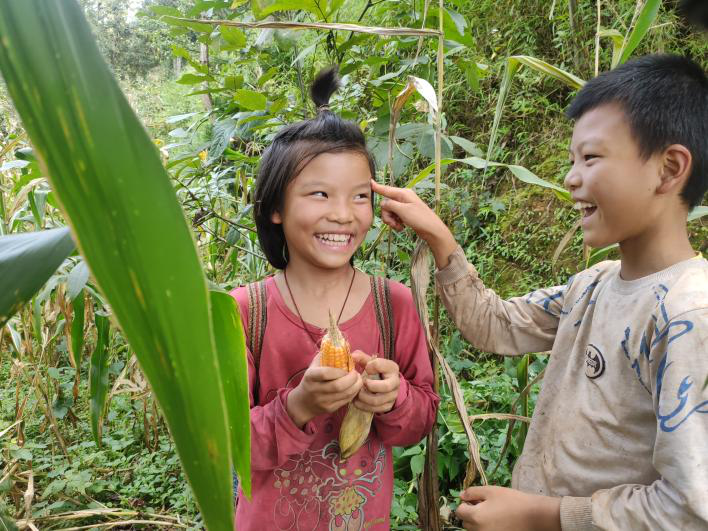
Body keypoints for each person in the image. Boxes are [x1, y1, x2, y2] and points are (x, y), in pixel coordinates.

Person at [372, 54, 708, 530]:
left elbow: (688, 509)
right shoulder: (591, 287)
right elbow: (496, 326)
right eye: (572, 160)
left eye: (590, 158)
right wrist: (440, 238)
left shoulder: (689, 316)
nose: (571, 178)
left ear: (669, 168)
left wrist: (540, 514)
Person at [229, 67, 439, 531]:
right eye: (320, 194)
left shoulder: (394, 304)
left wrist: (394, 397)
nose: (343, 215)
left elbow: (420, 419)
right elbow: (227, 442)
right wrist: (298, 405)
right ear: (275, 208)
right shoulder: (243, 313)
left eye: (360, 196)